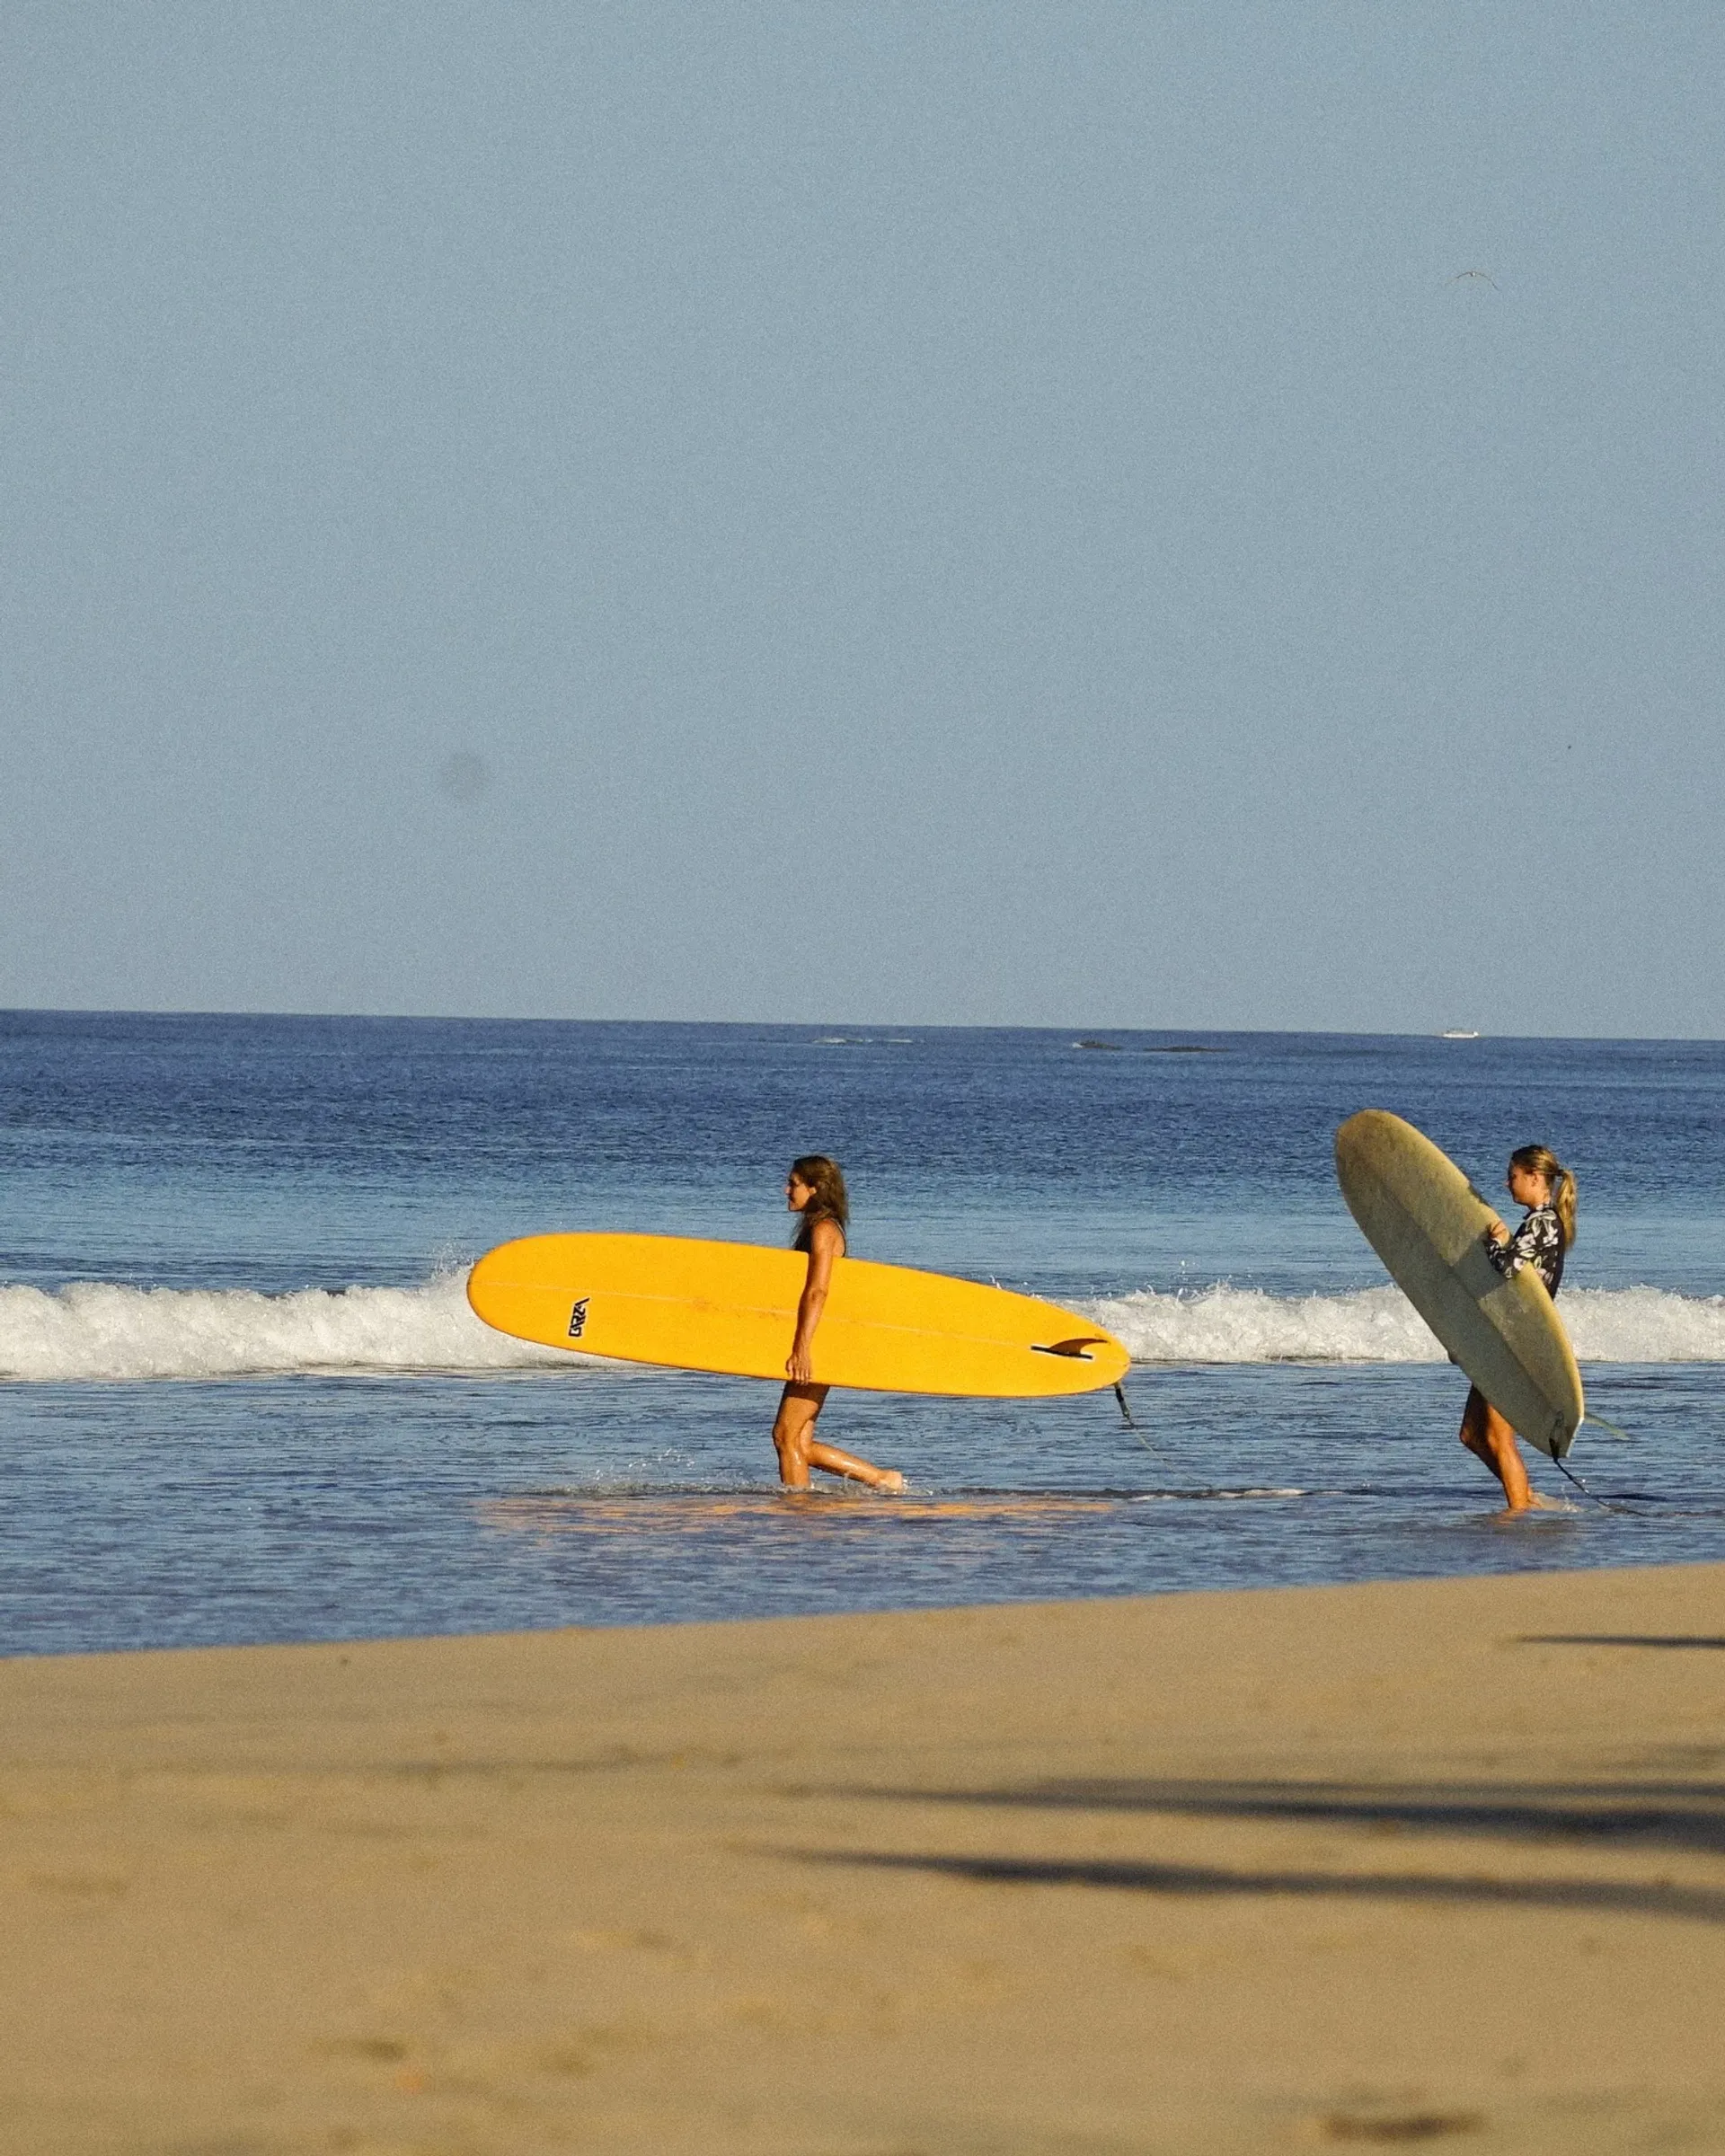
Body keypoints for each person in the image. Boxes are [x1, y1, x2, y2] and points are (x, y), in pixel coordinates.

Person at [771, 1154, 905, 1492]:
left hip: (818, 1343)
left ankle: (797, 1510)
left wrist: (801, 1348)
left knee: (786, 1436)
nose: (787, 1190)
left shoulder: (824, 1230)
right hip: (820, 1339)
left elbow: (818, 1291)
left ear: (815, 1189)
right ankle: (882, 1479)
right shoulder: (818, 1228)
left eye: (794, 1184)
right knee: (798, 1443)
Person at [1459, 1144, 1577, 1512]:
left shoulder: (1543, 1221)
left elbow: (1507, 1268)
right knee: (1471, 1435)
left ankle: (1516, 1514)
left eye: (1513, 1176)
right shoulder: (1543, 1221)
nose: (1508, 1184)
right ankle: (1524, 1497)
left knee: (1498, 1436)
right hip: (1504, 1336)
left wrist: (1495, 1242)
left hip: (1516, 1342)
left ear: (1535, 1177)